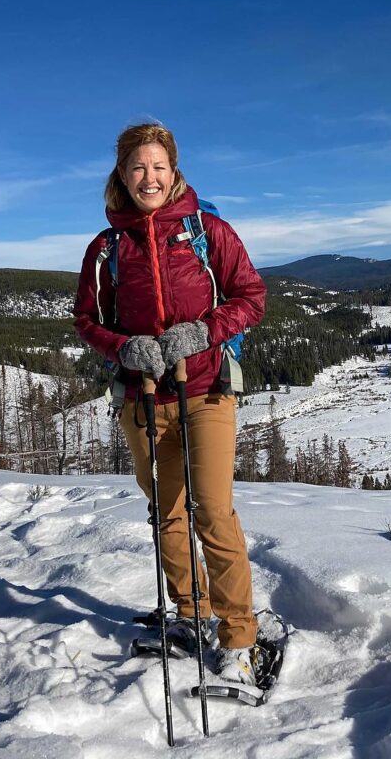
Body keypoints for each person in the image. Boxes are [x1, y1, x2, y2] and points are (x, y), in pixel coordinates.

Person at [72, 122, 267, 684]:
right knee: (167, 513)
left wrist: (204, 332)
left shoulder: (207, 231)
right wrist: (123, 347)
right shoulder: (107, 247)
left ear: (174, 170)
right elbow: (87, 321)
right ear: (122, 175)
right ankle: (190, 612)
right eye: (137, 168)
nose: (148, 177)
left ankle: (237, 635)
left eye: (158, 166)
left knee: (213, 510)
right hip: (143, 396)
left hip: (206, 390)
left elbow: (251, 296)